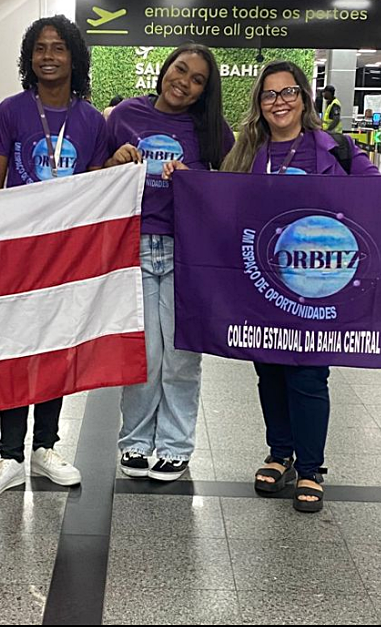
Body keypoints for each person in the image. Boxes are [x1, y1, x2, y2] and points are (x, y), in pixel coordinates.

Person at [222, 60, 378, 512]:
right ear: (259, 103)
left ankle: (310, 468)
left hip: (318, 282)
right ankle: (280, 454)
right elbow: (221, 204)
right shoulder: (246, 153)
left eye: (288, 92)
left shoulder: (337, 150)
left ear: (304, 97)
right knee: (269, 369)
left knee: (308, 373)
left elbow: (378, 197)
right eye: (269, 94)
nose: (279, 102)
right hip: (264, 283)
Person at [0, 15, 106, 499]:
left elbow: (96, 190)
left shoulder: (92, 120)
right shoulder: (11, 111)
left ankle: (45, 447)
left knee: (55, 350)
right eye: (40, 48)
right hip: (17, 252)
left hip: (65, 255)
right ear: (29, 58)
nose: (48, 56)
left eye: (58, 48)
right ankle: (9, 455)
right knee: (14, 353)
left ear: (74, 57)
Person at [104, 44, 234, 482]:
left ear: (204, 91)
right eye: (181, 70)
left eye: (198, 80)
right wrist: (114, 161)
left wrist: (196, 181)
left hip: (187, 254)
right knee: (143, 353)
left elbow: (230, 191)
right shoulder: (125, 114)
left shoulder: (212, 130)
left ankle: (176, 446)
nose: (185, 83)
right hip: (133, 249)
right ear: (165, 69)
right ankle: (136, 441)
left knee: (181, 357)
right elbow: (96, 172)